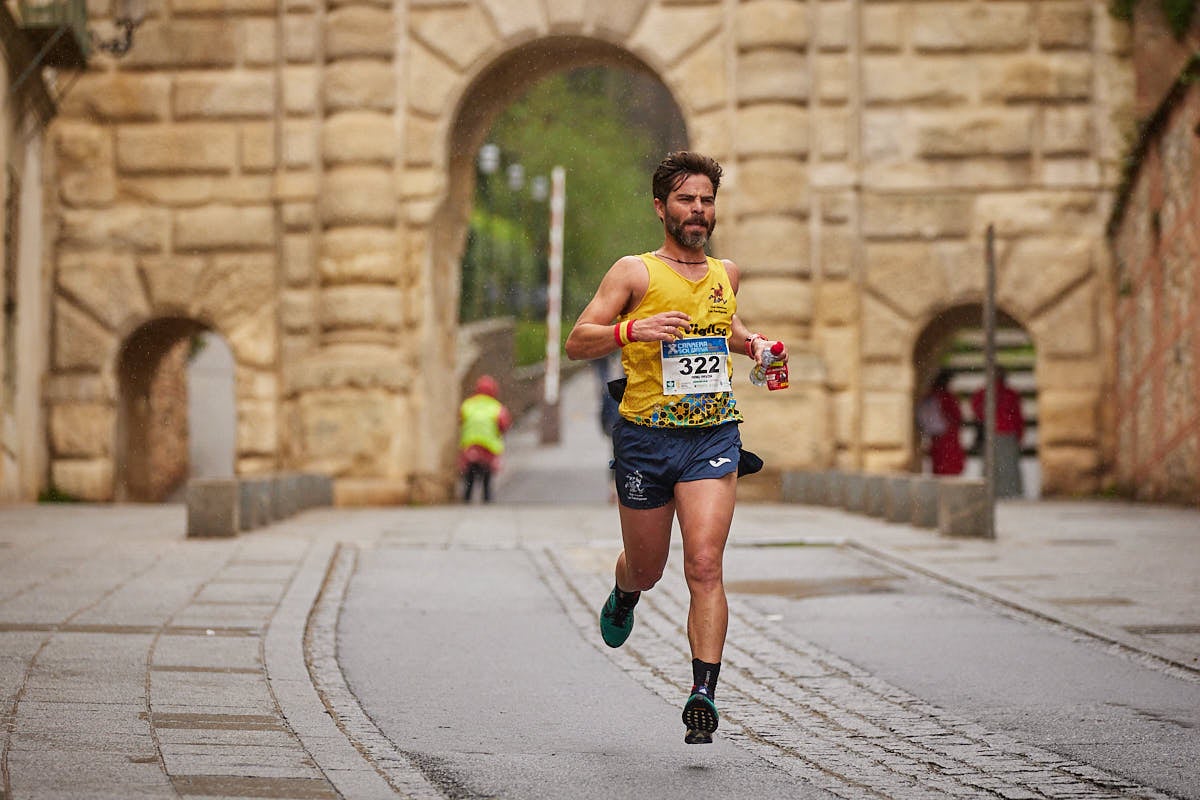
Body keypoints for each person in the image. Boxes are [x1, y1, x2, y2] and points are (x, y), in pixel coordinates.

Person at [564, 151, 787, 745]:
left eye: (707, 200)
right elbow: (576, 341)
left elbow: (728, 331)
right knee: (649, 566)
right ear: (662, 207)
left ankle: (702, 694)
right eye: (687, 200)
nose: (698, 211)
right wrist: (628, 330)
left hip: (712, 435)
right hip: (646, 438)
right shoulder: (633, 273)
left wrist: (757, 347)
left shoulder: (726, 274)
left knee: (705, 564)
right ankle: (625, 589)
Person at [970, 366, 1025, 498]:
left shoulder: (983, 392)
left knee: (990, 463)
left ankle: (989, 491)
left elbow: (976, 409)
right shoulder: (1011, 393)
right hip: (1007, 431)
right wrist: (1020, 433)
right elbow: (1017, 415)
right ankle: (1008, 491)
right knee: (1008, 464)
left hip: (990, 431)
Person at [457, 375, 512, 503]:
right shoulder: (497, 408)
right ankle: (487, 498)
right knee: (487, 478)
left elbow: (460, 420)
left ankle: (467, 499)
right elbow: (504, 425)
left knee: (469, 478)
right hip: (489, 448)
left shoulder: (468, 405)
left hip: (470, 446)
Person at [918, 369, 965, 476]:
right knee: (948, 465)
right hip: (947, 433)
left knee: (940, 462)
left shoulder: (932, 395)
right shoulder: (945, 396)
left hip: (937, 435)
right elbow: (955, 415)